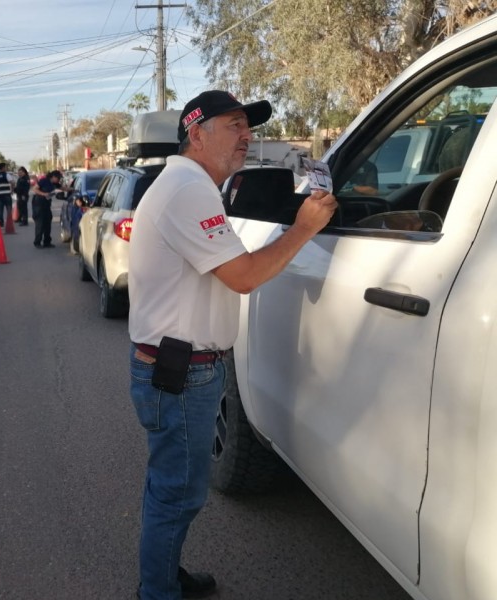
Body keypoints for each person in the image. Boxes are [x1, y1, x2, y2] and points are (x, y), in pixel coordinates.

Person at [128, 90, 337, 600]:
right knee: (176, 493)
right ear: (196, 133)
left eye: (249, 126)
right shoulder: (186, 189)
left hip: (183, 367)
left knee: (176, 490)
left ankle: (163, 577)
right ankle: (156, 592)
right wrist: (304, 229)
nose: (247, 136)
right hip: (181, 372)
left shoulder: (191, 186)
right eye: (234, 125)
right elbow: (242, 277)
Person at [31, 169, 69, 248]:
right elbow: (34, 189)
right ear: (53, 176)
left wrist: (74, 189)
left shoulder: (55, 184)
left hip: (46, 205)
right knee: (40, 223)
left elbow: (64, 188)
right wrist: (44, 194)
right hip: (39, 204)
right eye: (58, 178)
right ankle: (37, 242)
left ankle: (47, 241)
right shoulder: (44, 181)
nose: (58, 180)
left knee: (47, 222)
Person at [0, 162, 14, 227]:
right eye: (5, 167)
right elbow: (12, 183)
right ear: (3, 168)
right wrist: (12, 190)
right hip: (7, 194)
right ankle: (9, 223)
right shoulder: (6, 175)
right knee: (9, 209)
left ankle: (1, 223)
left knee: (0, 209)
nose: (6, 168)